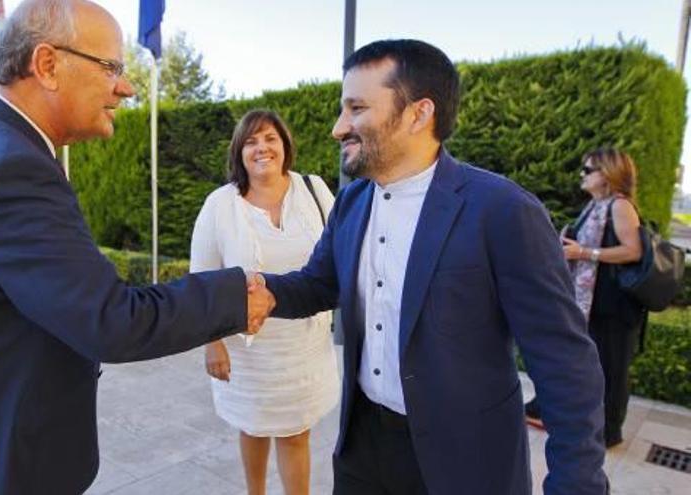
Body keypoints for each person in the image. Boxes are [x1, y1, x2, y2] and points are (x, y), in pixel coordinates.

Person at [0, 1, 274, 494]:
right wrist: (231, 299)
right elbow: (111, 319)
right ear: (48, 65)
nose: (127, 87)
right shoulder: (13, 168)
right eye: (111, 67)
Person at [254, 39, 608, 494]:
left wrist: (577, 484)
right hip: (364, 451)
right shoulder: (352, 202)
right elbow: (319, 284)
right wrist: (257, 293)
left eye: (356, 108)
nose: (339, 127)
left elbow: (565, 364)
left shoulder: (502, 210)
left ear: (419, 114)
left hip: (464, 464)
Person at [191, 110, 340, 495]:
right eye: (251, 141)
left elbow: (340, 255)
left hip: (303, 344)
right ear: (239, 152)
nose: (262, 148)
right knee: (253, 428)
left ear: (285, 145)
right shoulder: (220, 204)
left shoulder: (314, 190)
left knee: (296, 432)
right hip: (249, 350)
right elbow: (201, 279)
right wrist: (212, 342)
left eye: (270, 138)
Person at [526, 148, 644, 449]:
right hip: (593, 303)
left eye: (588, 169)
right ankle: (558, 413)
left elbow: (633, 250)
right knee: (586, 363)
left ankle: (609, 433)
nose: (582, 175)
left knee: (612, 367)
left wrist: (583, 252)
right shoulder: (596, 206)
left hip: (615, 306)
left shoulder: (619, 206)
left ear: (607, 174)